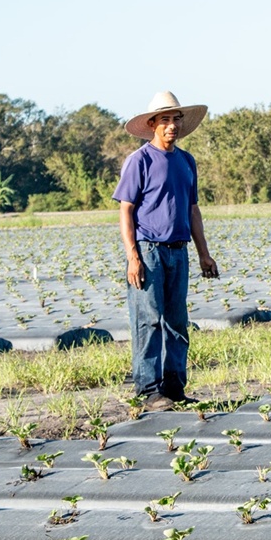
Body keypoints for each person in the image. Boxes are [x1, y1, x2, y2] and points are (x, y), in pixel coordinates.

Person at [113, 91, 219, 412]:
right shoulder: (139, 161)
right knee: (148, 321)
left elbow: (192, 210)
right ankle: (148, 390)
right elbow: (126, 211)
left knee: (177, 321)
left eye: (175, 120)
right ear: (152, 124)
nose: (171, 126)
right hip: (148, 251)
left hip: (179, 250)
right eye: (165, 120)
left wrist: (204, 253)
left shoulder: (186, 162)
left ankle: (174, 387)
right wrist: (133, 256)